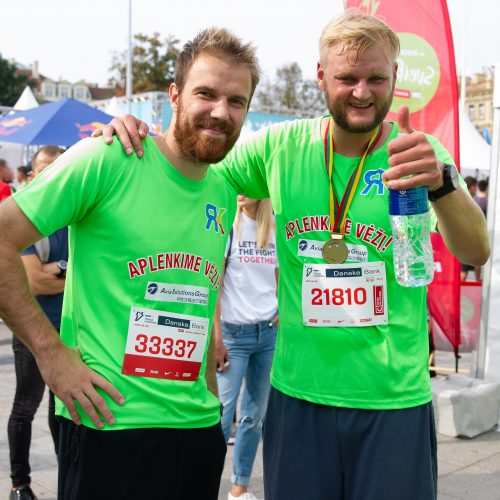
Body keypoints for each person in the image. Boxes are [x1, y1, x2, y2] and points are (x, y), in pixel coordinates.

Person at [96, 10, 490, 500]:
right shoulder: (281, 147)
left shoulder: (419, 152)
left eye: (376, 78)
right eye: (347, 78)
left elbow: (476, 249)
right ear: (322, 76)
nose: (361, 92)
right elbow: (193, 167)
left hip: (394, 401)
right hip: (299, 399)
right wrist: (139, 136)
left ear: (395, 78)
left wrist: (442, 184)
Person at [0, 27, 260, 500]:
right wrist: (50, 352)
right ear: (175, 96)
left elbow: (196, 293)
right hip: (110, 423)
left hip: (199, 427)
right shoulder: (108, 159)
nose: (221, 111)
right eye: (206, 93)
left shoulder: (223, 191)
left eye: (236, 100)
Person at [8, 146, 67, 500]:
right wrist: (68, 268)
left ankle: (67, 477)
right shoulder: (25, 220)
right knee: (24, 407)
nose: (50, 175)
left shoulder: (72, 216)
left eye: (58, 169)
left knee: (61, 409)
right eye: (44, 169)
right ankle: (19, 483)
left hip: (70, 330)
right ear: (31, 174)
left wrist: (56, 268)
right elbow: (35, 282)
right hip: (32, 331)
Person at [214, 196, 278, 500]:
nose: (240, 190)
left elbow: (282, 278)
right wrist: (216, 337)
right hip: (233, 335)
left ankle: (239, 489)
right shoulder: (228, 227)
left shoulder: (275, 226)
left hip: (268, 333)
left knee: (254, 416)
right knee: (221, 415)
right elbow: (214, 284)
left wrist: (284, 311)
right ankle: (205, 482)